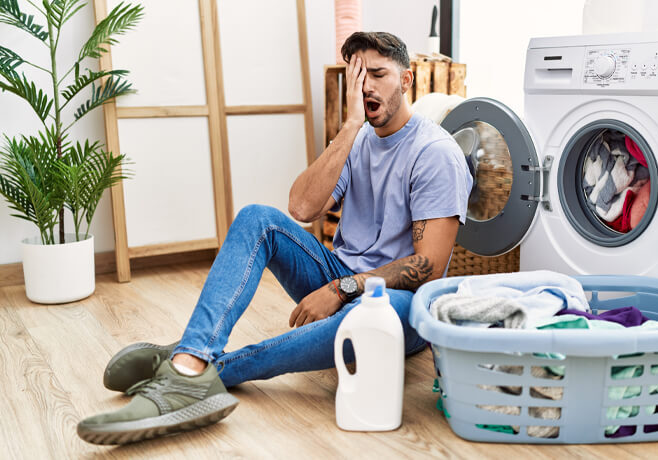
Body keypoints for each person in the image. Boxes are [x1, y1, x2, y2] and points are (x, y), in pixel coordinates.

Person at [77, 31, 472, 445]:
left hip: (398, 304)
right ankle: (194, 356)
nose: (367, 87)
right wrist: (351, 126)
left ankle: (199, 369)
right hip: (340, 273)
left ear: (407, 80)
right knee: (257, 219)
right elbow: (301, 210)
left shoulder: (435, 153)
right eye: (358, 77)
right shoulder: (357, 140)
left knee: (362, 317)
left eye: (378, 74)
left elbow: (426, 266)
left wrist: (342, 288)